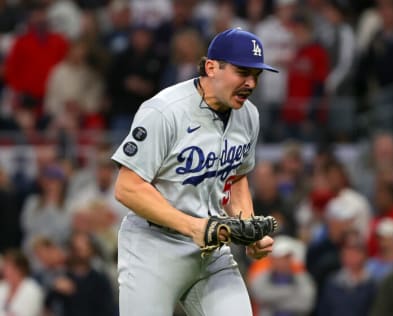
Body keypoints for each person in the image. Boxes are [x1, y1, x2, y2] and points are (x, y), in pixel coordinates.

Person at [112, 28, 278, 316]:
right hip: (153, 248)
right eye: (242, 72)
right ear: (212, 67)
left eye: (256, 75)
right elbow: (127, 187)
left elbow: (237, 177)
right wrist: (193, 227)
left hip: (212, 249)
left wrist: (248, 229)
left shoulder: (248, 114)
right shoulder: (165, 111)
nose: (251, 83)